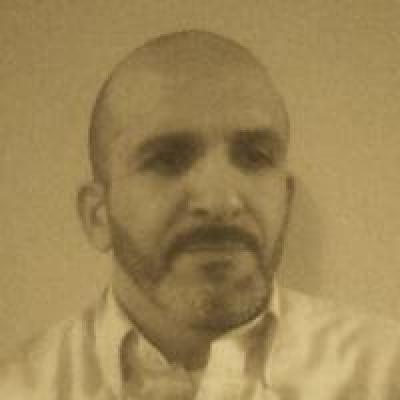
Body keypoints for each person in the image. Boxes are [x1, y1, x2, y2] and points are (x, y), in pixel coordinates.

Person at [1, 29, 400, 400]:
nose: (220, 201)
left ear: (286, 200)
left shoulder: (385, 374)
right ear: (98, 216)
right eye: (166, 159)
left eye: (255, 157)